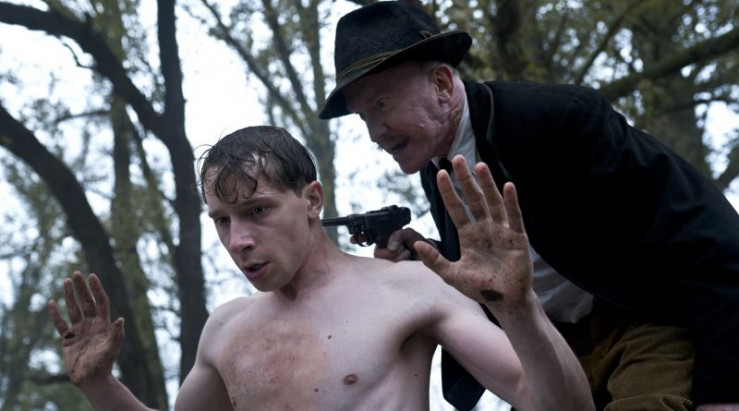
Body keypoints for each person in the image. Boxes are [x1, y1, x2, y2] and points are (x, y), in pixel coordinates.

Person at [318, 2, 739, 411]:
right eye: (363, 116)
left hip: (639, 321)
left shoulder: (557, 119)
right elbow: (515, 263)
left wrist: (724, 386)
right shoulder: (434, 163)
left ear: (442, 85)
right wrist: (431, 260)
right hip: (550, 349)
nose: (374, 133)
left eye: (381, 104)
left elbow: (705, 236)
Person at [47, 126, 594, 410]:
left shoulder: (409, 290)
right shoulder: (226, 328)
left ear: (312, 200)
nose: (238, 240)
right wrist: (99, 385)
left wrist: (519, 309)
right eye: (221, 220)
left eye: (257, 211)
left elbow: (558, 404)